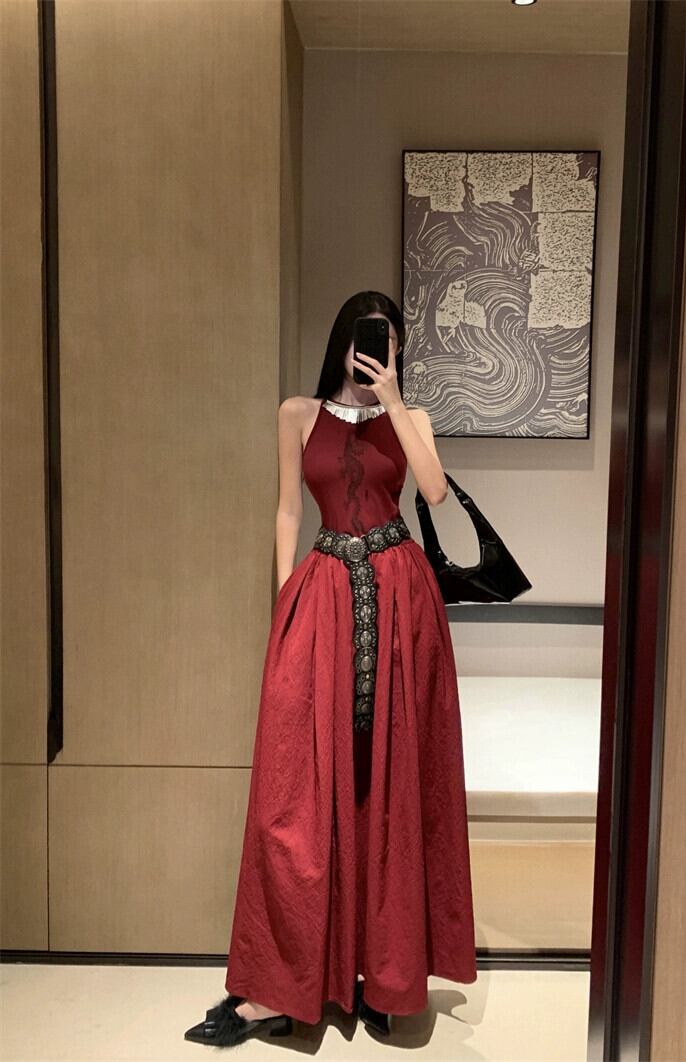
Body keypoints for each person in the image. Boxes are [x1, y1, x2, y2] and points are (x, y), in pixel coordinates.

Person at [184, 291, 476, 1048]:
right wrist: (285, 600)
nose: (370, 351)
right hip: (321, 599)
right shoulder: (297, 413)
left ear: (397, 349)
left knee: (394, 784)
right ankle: (280, 988)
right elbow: (289, 508)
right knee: (299, 791)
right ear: (341, 342)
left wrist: (395, 401)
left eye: (385, 340)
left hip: (401, 600)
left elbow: (434, 492)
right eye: (362, 338)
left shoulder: (412, 419)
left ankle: (385, 976)